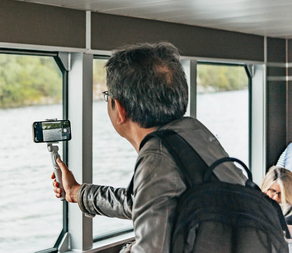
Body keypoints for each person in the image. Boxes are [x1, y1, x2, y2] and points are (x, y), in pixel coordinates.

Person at [51, 42, 246, 253]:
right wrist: (76, 192)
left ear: (120, 110)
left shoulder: (157, 156)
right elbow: (141, 201)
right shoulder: (194, 132)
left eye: (108, 98)